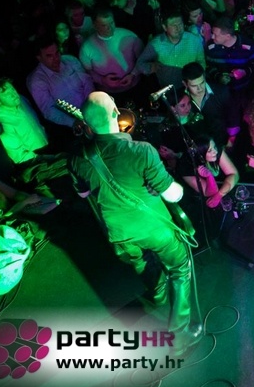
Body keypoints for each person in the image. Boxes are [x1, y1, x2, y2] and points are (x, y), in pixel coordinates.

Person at [68, 92, 201, 355]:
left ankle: (158, 296)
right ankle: (179, 336)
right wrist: (166, 186)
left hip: (119, 233)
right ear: (116, 112)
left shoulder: (76, 159)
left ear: (87, 124)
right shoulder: (141, 151)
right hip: (155, 229)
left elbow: (84, 195)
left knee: (142, 262)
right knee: (179, 269)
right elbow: (173, 195)